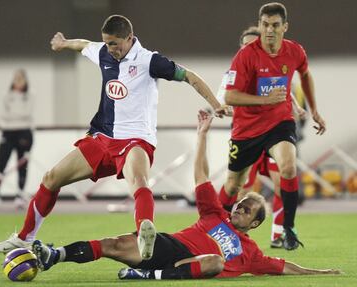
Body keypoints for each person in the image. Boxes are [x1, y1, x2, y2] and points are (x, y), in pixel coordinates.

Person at [0, 15, 224, 259]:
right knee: (51, 178)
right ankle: (24, 239)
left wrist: (216, 103)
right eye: (107, 43)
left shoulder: (150, 61)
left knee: (138, 180)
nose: (110, 49)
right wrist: (64, 43)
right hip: (103, 137)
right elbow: (85, 45)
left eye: (115, 43)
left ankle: (144, 233)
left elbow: (189, 76)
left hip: (136, 139)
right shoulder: (103, 52)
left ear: (129, 38)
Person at [30, 111, 340, 280]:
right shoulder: (215, 213)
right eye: (241, 204)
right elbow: (201, 176)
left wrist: (322, 272)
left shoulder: (251, 255)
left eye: (245, 210)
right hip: (169, 246)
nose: (238, 209)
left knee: (215, 263)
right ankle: (54, 256)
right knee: (113, 243)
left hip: (195, 264)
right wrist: (202, 136)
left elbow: (284, 266)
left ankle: (149, 277)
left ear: (255, 224)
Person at [220, 2, 326, 250]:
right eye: (265, 24)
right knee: (234, 184)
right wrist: (266, 100)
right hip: (246, 130)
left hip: (279, 123)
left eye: (275, 25)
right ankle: (213, 224)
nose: (269, 30)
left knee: (288, 167)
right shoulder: (246, 55)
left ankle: (287, 227)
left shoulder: (294, 51)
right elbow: (230, 97)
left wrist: (314, 109)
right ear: (260, 25)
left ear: (284, 27)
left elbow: (306, 73)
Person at [0, 69, 34, 208]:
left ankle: (19, 195)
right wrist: (17, 115)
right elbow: (3, 115)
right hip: (8, 132)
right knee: (0, 164)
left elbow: (27, 113)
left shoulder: (30, 95)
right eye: (16, 79)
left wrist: (13, 113)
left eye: (20, 79)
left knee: (22, 165)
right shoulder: (6, 95)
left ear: (25, 80)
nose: (18, 82)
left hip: (24, 133)